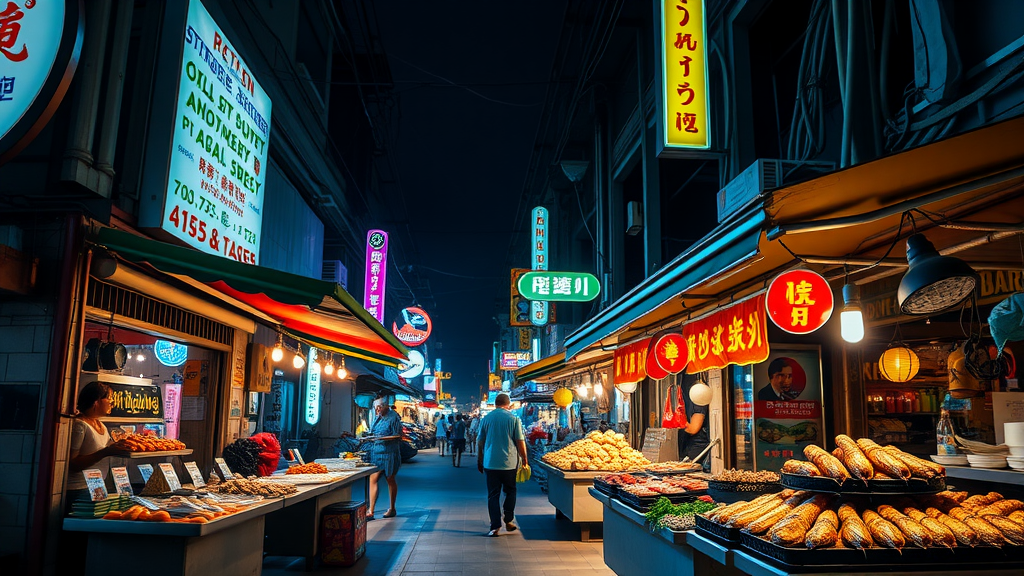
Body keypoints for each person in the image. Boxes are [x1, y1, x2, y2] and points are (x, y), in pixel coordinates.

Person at [68, 382, 128, 503]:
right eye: (109, 398)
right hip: (79, 488)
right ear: (96, 401)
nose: (112, 403)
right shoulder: (79, 425)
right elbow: (72, 463)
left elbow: (108, 447)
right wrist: (105, 452)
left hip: (98, 485)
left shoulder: (101, 426)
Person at [477, 393, 527, 537]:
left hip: (490, 463)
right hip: (509, 464)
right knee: (510, 491)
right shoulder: (514, 419)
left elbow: (480, 442)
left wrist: (480, 460)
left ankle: (495, 526)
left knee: (493, 494)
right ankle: (509, 519)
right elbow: (520, 441)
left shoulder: (486, 419)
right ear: (508, 404)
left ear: (495, 404)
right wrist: (524, 459)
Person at [366, 397, 402, 520]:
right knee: (373, 478)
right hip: (376, 453)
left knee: (390, 478)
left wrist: (381, 439)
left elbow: (397, 435)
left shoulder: (393, 417)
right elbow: (373, 432)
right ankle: (371, 510)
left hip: (390, 453)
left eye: (380, 408)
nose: (378, 410)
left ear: (386, 406)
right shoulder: (377, 417)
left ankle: (392, 508)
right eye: (376, 408)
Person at [677, 377, 711, 471]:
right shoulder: (691, 401)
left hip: (698, 449)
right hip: (691, 447)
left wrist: (678, 420)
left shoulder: (699, 400)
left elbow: (693, 429)